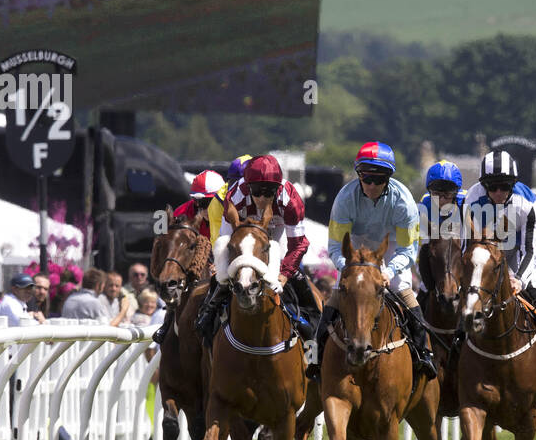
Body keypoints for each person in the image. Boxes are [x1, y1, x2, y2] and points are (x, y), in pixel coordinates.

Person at [308, 141, 437, 380]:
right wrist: (349, 267)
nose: (372, 185)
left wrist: (389, 271)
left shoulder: (404, 201)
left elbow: (410, 249)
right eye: (367, 179)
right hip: (356, 252)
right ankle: (315, 358)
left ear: (388, 178)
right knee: (334, 301)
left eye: (379, 180)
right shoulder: (344, 199)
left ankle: (423, 354)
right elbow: (336, 247)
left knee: (404, 292)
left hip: (391, 251)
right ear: (359, 175)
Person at [461, 149, 536, 371]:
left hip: (517, 258)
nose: (498, 192)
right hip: (485, 257)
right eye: (492, 187)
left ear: (513, 184)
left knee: (535, 295)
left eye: (504, 186)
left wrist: (518, 279)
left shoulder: (529, 204)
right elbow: (467, 246)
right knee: (466, 299)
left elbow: (530, 249)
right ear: (484, 185)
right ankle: (456, 345)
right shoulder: (471, 199)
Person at [199, 154, 317, 348]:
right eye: (257, 191)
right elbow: (227, 242)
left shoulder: (290, 199)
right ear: (247, 186)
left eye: (269, 191)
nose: (262, 197)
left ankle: (313, 329)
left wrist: (284, 275)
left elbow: (299, 244)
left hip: (277, 229)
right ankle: (207, 314)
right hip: (241, 232)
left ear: (278, 188)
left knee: (282, 259)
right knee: (222, 262)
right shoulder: (235, 195)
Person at [153, 169, 225, 346]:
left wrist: (222, 264)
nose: (201, 208)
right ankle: (168, 321)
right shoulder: (182, 212)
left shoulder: (230, 214)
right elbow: (166, 243)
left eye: (207, 202)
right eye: (198, 202)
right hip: (192, 267)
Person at [416, 160, 466, 297]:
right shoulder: (425, 205)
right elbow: (423, 248)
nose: (442, 200)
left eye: (447, 195)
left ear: (456, 193)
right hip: (437, 264)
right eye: (437, 194)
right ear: (429, 192)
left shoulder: (466, 204)